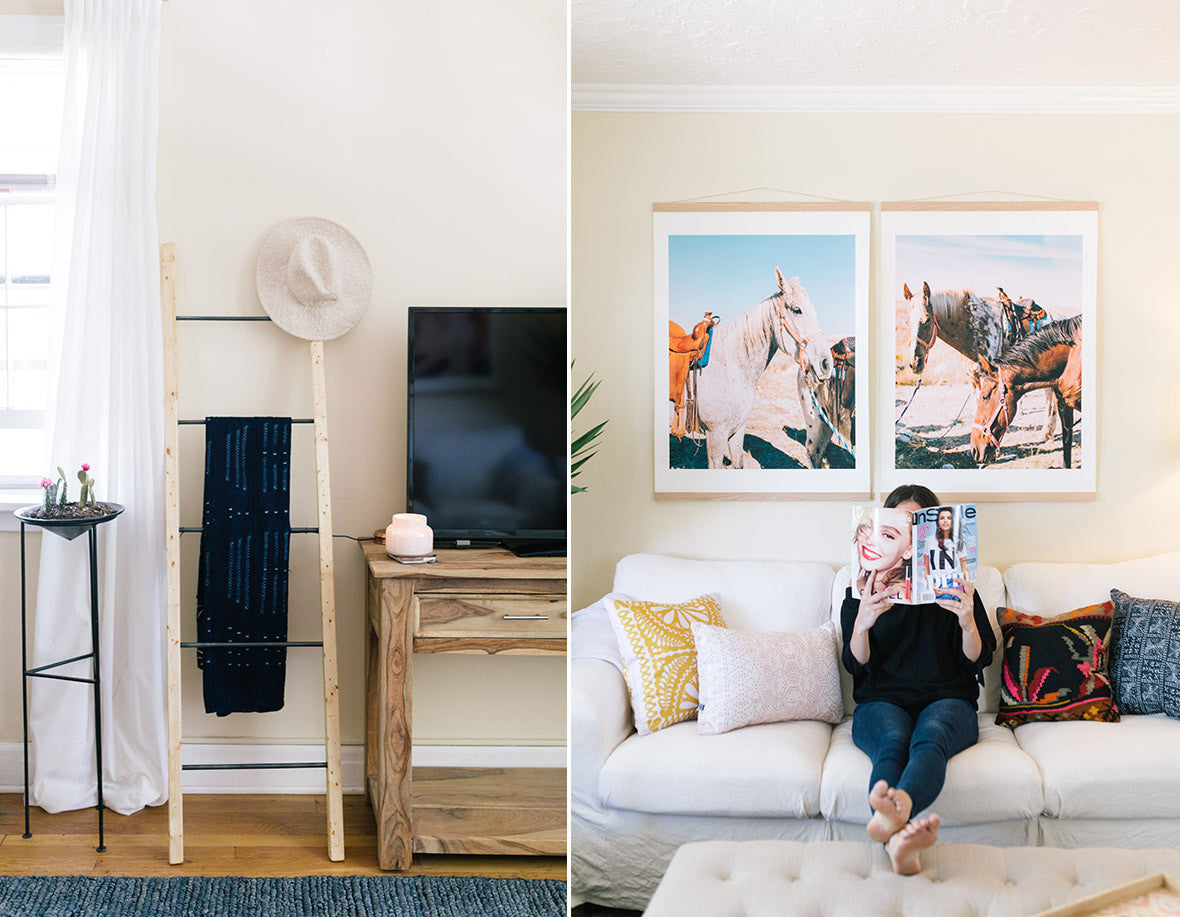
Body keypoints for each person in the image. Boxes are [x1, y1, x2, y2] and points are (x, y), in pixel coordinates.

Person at [841, 483, 995, 875]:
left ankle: (896, 818)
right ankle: (899, 842)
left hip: (947, 698)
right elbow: (856, 666)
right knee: (892, 742)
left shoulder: (957, 583)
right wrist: (862, 623)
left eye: (916, 526)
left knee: (932, 736)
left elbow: (979, 659)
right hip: (882, 700)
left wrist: (965, 620)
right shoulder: (863, 585)